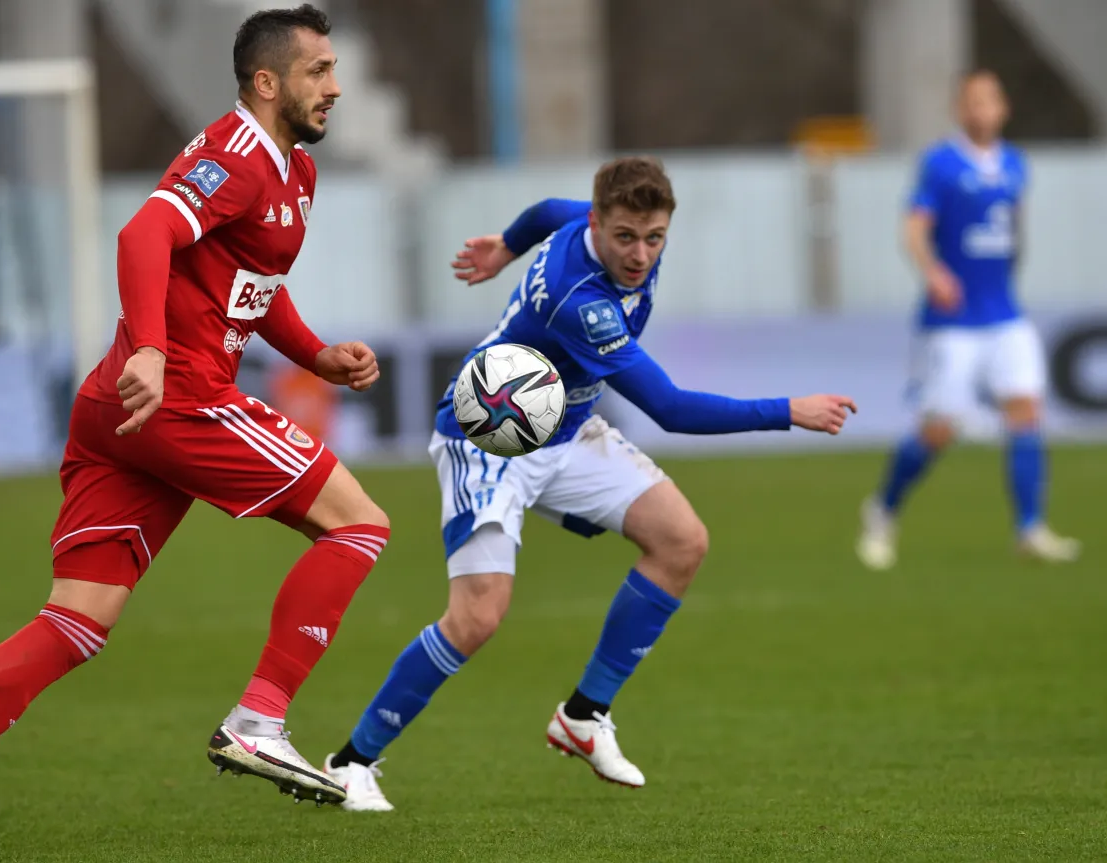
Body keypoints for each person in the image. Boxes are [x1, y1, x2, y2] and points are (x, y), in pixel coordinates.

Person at [0, 5, 389, 855]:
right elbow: (145, 230)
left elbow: (251, 283)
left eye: (334, 69)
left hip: (118, 410)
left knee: (78, 618)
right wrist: (150, 347)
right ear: (267, 82)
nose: (336, 86)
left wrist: (317, 354)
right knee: (361, 523)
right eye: (318, 72)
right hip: (173, 397)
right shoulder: (236, 156)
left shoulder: (294, 174)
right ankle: (260, 717)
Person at [321, 157, 857, 811]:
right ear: (600, 224)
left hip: (567, 429)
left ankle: (583, 715)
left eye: (654, 237)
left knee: (681, 540)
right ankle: (351, 761)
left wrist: (503, 248)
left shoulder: (592, 220)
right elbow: (672, 409)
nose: (640, 254)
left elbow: (550, 207)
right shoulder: (583, 302)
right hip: (493, 438)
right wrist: (787, 410)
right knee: (478, 615)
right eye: (627, 237)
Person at [856, 69, 1079, 571]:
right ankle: (883, 509)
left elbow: (1015, 231)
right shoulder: (941, 163)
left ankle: (1030, 528)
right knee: (941, 430)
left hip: (1005, 314)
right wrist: (933, 272)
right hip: (952, 321)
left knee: (1026, 413)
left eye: (989, 101)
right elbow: (913, 229)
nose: (981, 110)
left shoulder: (1017, 165)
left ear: (1003, 109)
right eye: (972, 102)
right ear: (961, 110)